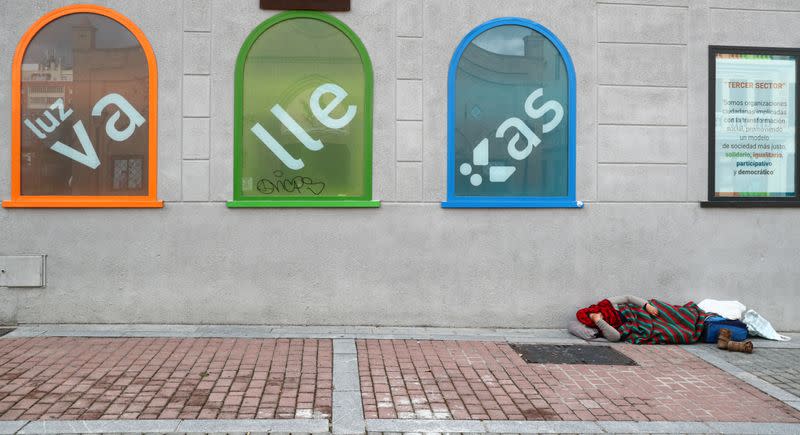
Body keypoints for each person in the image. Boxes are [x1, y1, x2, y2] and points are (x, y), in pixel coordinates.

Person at [582, 295, 657, 342]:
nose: (601, 315)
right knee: (662, 328)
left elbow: (627, 298)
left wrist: (646, 305)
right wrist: (598, 321)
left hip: (637, 310)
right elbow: (615, 337)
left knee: (663, 310)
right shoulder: (599, 329)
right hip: (637, 325)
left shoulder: (604, 304)